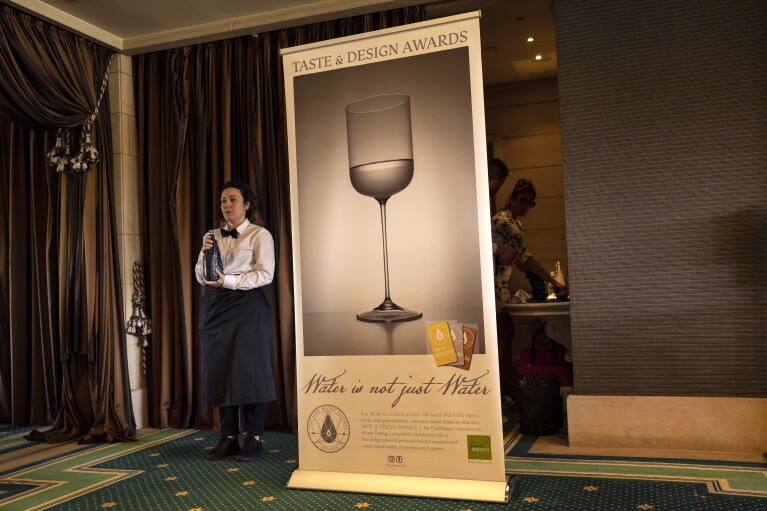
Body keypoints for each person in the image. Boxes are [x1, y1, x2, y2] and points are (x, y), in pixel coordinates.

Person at [195, 181, 276, 462]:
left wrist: (227, 280)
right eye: (222, 201)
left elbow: (265, 274)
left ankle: (254, 438)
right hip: (215, 306)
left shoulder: (259, 235)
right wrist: (206, 252)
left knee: (250, 371)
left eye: (232, 199)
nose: (226, 205)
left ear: (246, 204)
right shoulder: (212, 235)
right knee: (220, 370)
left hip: (248, 306)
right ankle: (227, 438)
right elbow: (199, 274)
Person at [491, 178, 567, 393]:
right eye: (522, 200)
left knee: (507, 334)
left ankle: (506, 384)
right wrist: (553, 282)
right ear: (513, 198)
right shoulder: (505, 221)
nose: (525, 206)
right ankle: (504, 386)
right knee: (504, 335)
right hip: (492, 283)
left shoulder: (516, 223)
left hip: (501, 282)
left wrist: (526, 268)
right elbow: (527, 257)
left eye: (530, 203)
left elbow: (521, 261)